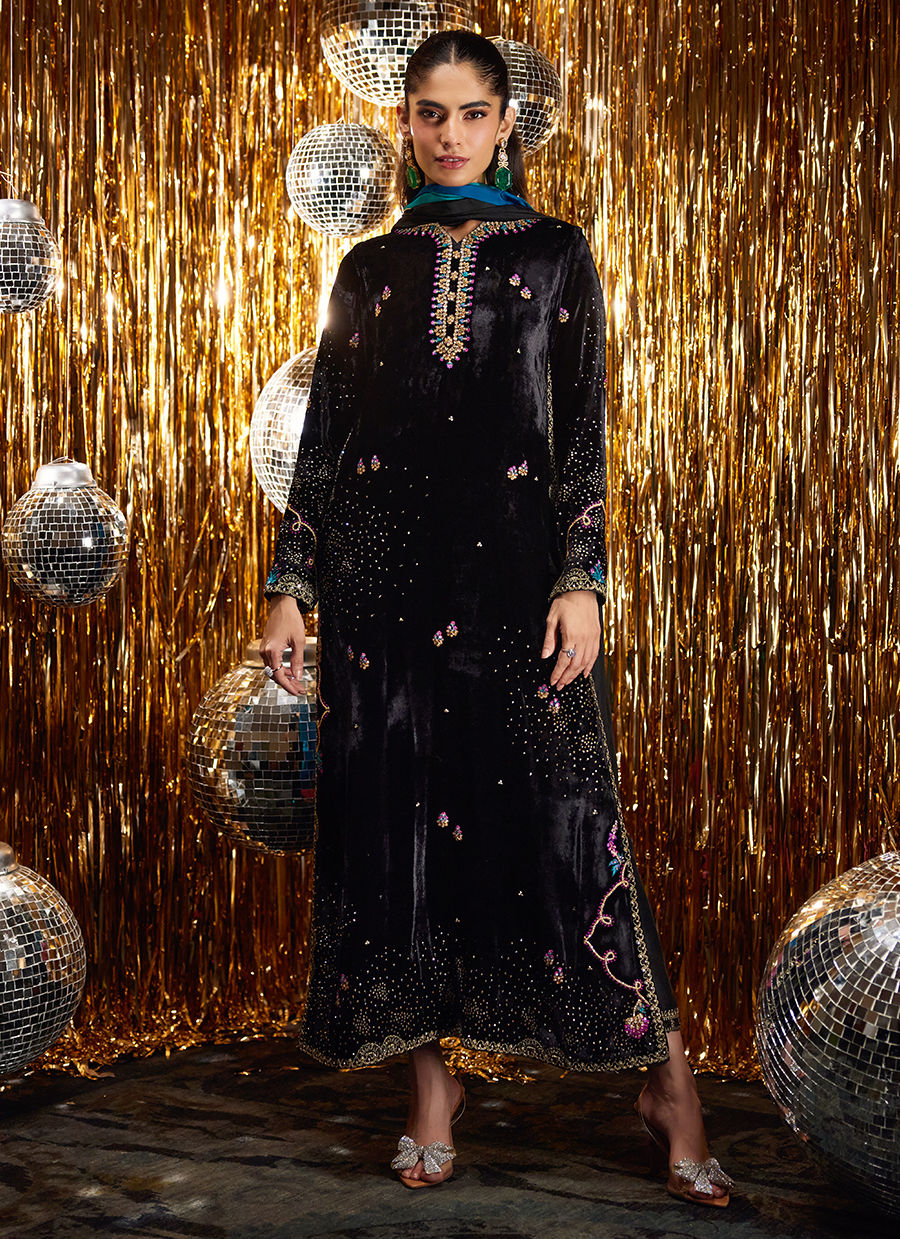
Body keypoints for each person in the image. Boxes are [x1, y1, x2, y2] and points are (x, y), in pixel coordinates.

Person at [260, 29, 733, 1207]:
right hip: (381, 589)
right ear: (405, 123)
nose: (450, 135)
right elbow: (326, 440)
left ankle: (668, 1087)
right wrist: (291, 584)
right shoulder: (369, 266)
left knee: (571, 819)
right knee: (397, 829)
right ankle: (432, 1091)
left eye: (473, 113)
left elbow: (583, 432)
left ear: (508, 122)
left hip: (517, 581)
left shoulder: (558, 253)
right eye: (429, 113)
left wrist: (581, 579)